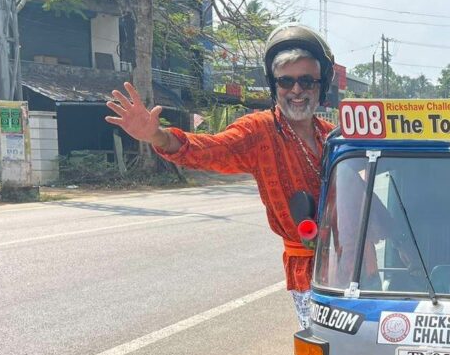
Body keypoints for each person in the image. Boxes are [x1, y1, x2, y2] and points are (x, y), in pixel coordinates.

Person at [105, 24, 336, 327]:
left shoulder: (333, 137)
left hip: (353, 266)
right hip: (309, 274)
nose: (296, 90)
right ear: (274, 86)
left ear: (322, 84)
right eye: (285, 82)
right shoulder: (260, 130)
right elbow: (211, 149)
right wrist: (158, 136)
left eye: (306, 81)